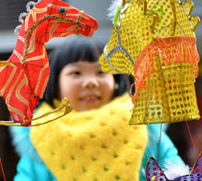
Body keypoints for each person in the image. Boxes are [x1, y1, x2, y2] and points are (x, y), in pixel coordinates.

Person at [10, 36, 184, 181]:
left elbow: (176, 173)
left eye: (101, 72)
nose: (91, 82)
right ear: (55, 84)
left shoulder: (146, 130)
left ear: (115, 81)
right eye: (76, 73)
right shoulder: (41, 139)